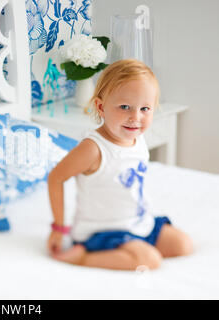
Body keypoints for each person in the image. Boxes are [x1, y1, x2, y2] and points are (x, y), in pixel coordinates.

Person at [47, 59, 193, 270]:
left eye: (145, 108)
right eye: (124, 107)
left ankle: (134, 247)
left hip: (138, 223)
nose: (135, 117)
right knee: (150, 261)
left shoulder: (137, 138)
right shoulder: (94, 148)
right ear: (100, 106)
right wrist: (59, 227)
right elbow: (56, 177)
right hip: (103, 231)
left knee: (182, 245)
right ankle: (83, 258)